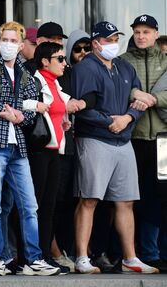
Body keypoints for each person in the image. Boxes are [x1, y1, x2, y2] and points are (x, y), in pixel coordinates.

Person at [0, 21, 60, 276]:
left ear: (21, 46)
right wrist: (3, 112)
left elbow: (32, 109)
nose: (7, 45)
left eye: (12, 41)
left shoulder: (25, 73)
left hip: (18, 147)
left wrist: (21, 116)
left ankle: (34, 258)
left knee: (29, 206)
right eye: (4, 40)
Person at [71, 21, 158, 274]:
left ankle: (130, 258)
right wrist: (111, 121)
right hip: (96, 139)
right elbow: (83, 108)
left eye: (115, 38)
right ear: (96, 42)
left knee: (125, 201)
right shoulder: (85, 67)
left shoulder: (124, 65)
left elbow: (139, 98)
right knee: (89, 199)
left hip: (123, 139)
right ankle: (81, 258)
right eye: (108, 39)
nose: (112, 43)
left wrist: (127, 118)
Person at [23, 42, 76, 271]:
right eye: (60, 59)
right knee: (35, 205)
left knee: (49, 206)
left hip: (55, 150)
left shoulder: (55, 83)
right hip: (39, 150)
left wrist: (63, 121)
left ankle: (43, 255)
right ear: (45, 61)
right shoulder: (33, 80)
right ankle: (30, 257)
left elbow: (56, 111)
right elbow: (18, 103)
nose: (65, 63)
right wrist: (36, 105)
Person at [120, 14, 167, 272]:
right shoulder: (122, 62)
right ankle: (145, 253)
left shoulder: (166, 61)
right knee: (135, 197)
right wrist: (133, 93)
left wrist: (153, 98)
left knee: (161, 198)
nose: (140, 36)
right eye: (137, 31)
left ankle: (159, 252)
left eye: (146, 32)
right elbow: (114, 88)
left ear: (155, 33)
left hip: (162, 140)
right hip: (132, 139)